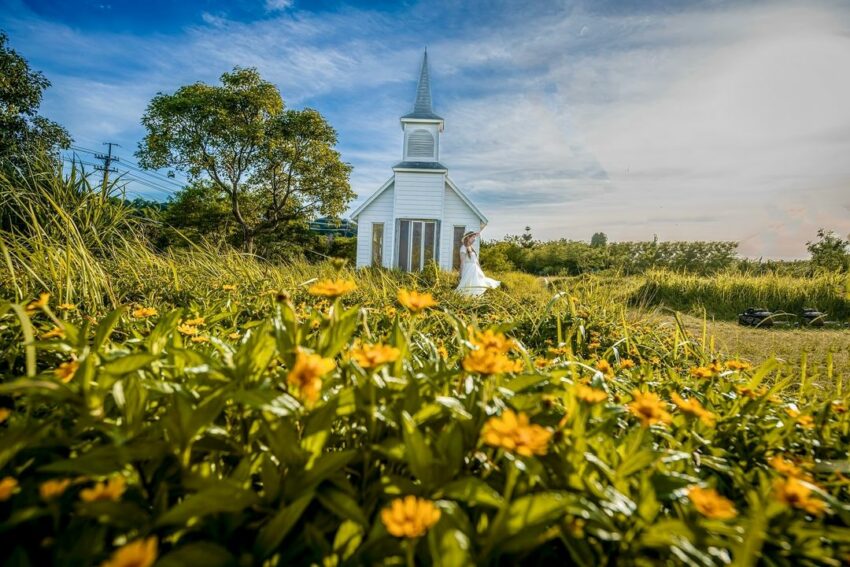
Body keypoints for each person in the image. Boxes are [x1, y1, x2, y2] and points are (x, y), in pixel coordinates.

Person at [456, 230, 500, 296]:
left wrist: (480, 271)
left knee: (480, 282)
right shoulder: (463, 248)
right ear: (468, 238)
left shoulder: (471, 248)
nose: (474, 239)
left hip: (475, 270)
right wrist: (460, 274)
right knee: (469, 286)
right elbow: (462, 262)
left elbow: (476, 261)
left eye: (475, 238)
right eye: (473, 237)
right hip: (468, 270)